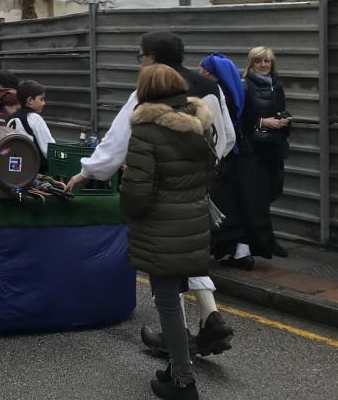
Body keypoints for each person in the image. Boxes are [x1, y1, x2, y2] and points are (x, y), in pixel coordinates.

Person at [65, 32, 235, 357]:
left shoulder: (149, 92)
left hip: (160, 190)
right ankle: (211, 316)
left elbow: (117, 141)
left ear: (153, 58)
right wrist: (203, 169)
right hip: (200, 186)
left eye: (141, 55)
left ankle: (177, 338)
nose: (140, 62)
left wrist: (87, 172)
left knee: (164, 259)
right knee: (189, 250)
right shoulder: (210, 87)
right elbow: (225, 135)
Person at [122, 64, 217, 400]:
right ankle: (176, 366)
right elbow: (210, 171)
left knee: (167, 302)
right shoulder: (200, 123)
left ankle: (183, 382)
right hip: (192, 221)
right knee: (175, 295)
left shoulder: (147, 129)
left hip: (161, 226)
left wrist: (127, 188)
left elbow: (136, 192)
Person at [200, 53, 275, 269]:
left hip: (229, 156)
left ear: (209, 72)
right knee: (246, 206)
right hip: (247, 156)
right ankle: (242, 252)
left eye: (203, 69)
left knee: (226, 207)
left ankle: (235, 252)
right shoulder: (241, 91)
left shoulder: (216, 94)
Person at [242, 46, 291, 257]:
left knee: (273, 192)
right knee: (258, 198)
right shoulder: (245, 87)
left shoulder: (276, 86)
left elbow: (279, 110)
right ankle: (264, 242)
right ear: (250, 64)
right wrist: (262, 122)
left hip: (275, 147)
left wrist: (284, 120)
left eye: (267, 62)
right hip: (255, 149)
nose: (263, 65)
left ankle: (262, 240)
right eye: (258, 61)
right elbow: (240, 119)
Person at [4, 80, 55, 171]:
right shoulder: (34, 118)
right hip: (34, 170)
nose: (44, 103)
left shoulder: (11, 118)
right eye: (41, 99)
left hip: (14, 167)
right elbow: (48, 148)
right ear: (30, 100)